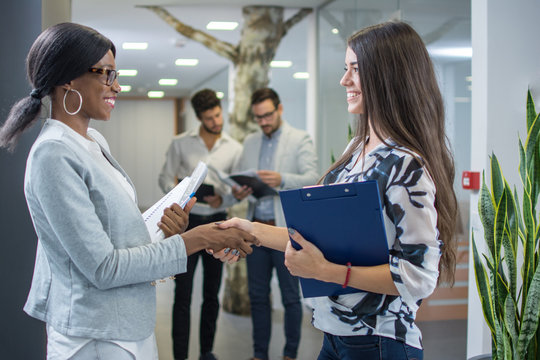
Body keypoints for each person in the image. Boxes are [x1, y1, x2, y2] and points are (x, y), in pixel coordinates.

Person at [0, 22, 256, 360]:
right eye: (106, 74)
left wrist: (165, 232)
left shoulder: (92, 142)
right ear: (67, 79)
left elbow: (114, 236)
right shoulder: (54, 154)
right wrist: (199, 238)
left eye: (114, 74)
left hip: (125, 325)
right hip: (94, 335)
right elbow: (104, 268)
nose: (116, 86)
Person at [217, 21, 457, 360]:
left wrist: (325, 272)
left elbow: (419, 275)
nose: (344, 80)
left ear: (385, 76)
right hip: (335, 336)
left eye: (355, 70)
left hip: (379, 342)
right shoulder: (356, 150)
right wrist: (250, 230)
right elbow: (318, 241)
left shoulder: (405, 164)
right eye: (346, 69)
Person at [231, 87, 319, 360]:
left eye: (268, 115)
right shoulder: (250, 142)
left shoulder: (300, 139)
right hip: (256, 231)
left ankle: (290, 354)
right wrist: (240, 190)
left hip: (285, 233)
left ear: (280, 109)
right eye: (259, 117)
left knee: (291, 297)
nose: (264, 121)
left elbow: (313, 178)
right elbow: (244, 177)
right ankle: (259, 354)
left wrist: (281, 179)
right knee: (257, 297)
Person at [158, 88, 243, 360]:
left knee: (211, 294)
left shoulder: (234, 147)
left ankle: (207, 352)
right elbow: (164, 178)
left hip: (219, 222)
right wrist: (181, 196)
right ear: (199, 118)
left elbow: (235, 186)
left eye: (218, 115)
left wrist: (225, 197)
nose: (216, 122)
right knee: (182, 294)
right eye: (209, 118)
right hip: (188, 223)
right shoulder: (181, 143)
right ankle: (180, 356)